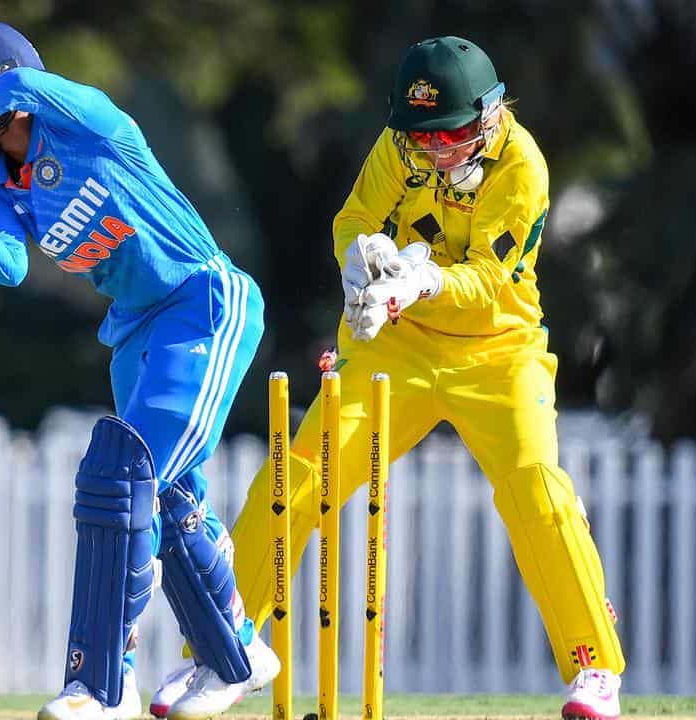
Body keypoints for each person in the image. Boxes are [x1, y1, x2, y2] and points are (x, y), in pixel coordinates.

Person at [152, 36, 626, 720]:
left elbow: (493, 278)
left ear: (490, 116)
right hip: (394, 350)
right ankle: (219, 657)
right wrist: (359, 258)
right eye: (423, 136)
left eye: (454, 134)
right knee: (294, 479)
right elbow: (354, 219)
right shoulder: (397, 146)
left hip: (497, 352)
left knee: (536, 488)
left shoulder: (522, 167)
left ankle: (595, 669)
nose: (436, 151)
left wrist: (423, 279)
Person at [0, 20, 279, 720]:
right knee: (169, 500)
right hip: (135, 333)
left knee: (123, 473)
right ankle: (235, 655)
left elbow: (21, 83)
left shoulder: (83, 121)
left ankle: (99, 689)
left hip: (204, 301)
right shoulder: (0, 182)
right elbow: (8, 262)